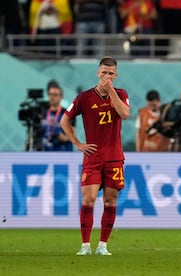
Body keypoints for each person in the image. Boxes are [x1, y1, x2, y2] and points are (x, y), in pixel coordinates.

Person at [60, 56, 130, 255]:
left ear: (116, 75)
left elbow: (125, 114)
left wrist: (112, 93)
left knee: (110, 201)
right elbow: (64, 121)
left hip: (114, 157)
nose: (106, 76)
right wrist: (77, 143)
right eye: (104, 73)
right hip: (93, 157)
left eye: (111, 73)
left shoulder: (121, 94)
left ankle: (103, 245)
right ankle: (85, 246)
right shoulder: (84, 97)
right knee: (88, 199)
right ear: (98, 73)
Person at [41, 80, 75, 151]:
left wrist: (64, 138)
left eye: (55, 95)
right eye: (50, 94)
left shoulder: (68, 113)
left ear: (61, 97)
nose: (52, 97)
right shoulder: (42, 112)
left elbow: (73, 135)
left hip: (62, 153)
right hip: (44, 152)